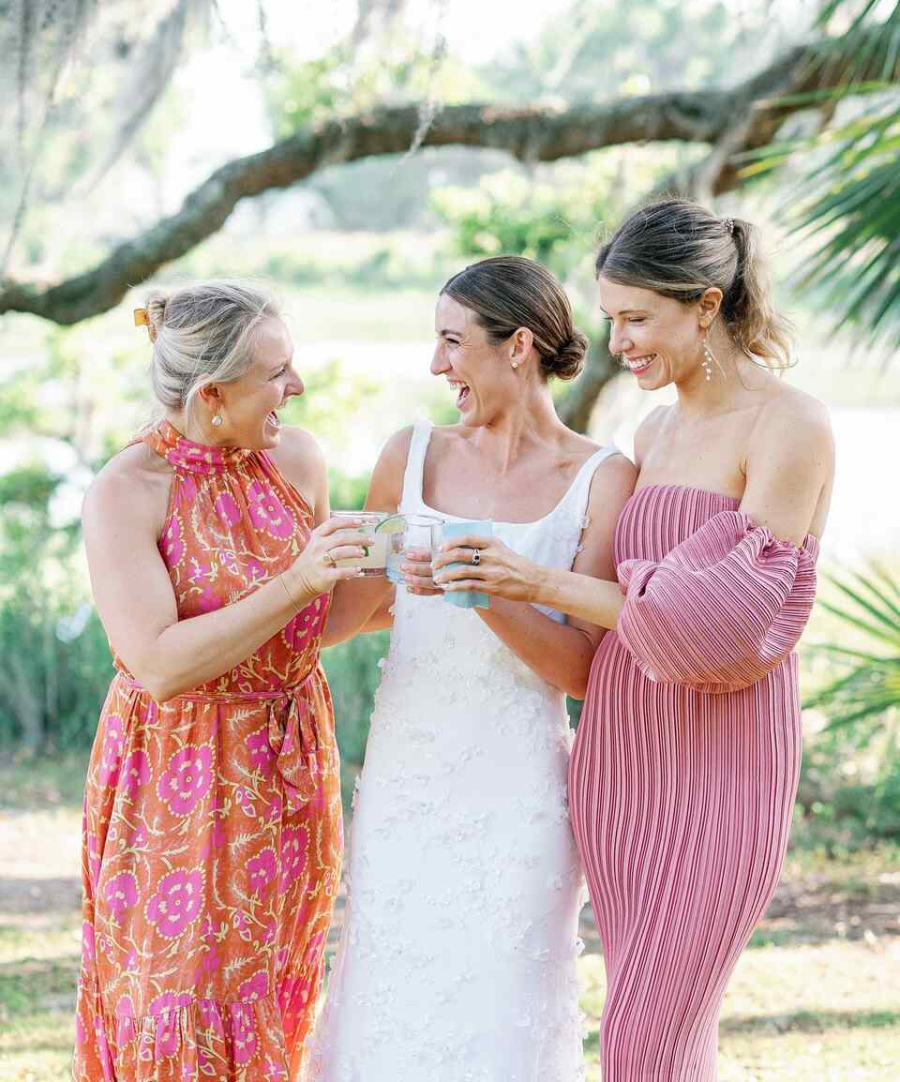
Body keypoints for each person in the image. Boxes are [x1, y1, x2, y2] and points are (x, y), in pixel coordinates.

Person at [432, 200, 835, 1081]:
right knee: (659, 1039)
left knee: (644, 1042)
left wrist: (534, 580)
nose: (620, 344)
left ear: (706, 303)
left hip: (725, 768)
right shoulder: (649, 434)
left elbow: (724, 623)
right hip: (620, 762)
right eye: (613, 319)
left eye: (638, 319)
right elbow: (611, 593)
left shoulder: (789, 426)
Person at [310, 256, 636, 1081]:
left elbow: (584, 673)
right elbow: (350, 615)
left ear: (518, 344)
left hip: (519, 788)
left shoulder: (603, 479)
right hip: (407, 778)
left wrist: (485, 591)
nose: (436, 366)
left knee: (500, 1003)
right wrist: (320, 566)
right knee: (391, 988)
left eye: (452, 342)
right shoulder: (409, 455)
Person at [75, 281, 372, 1082]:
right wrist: (299, 582)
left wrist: (412, 565)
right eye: (278, 373)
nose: (297, 389)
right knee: (175, 997)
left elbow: (318, 621)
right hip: (179, 772)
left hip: (288, 765)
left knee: (271, 993)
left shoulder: (298, 459)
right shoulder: (125, 492)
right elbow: (159, 663)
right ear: (212, 395)